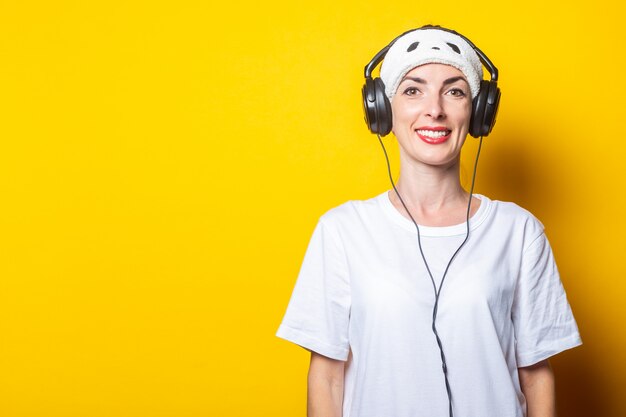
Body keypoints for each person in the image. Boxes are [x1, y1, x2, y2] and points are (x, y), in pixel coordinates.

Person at [276, 25, 582, 417]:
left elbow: (536, 374)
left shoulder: (519, 231)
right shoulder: (342, 230)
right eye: (412, 90)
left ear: (478, 112)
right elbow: (327, 377)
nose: (434, 109)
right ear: (383, 109)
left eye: (454, 91)